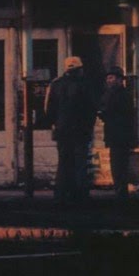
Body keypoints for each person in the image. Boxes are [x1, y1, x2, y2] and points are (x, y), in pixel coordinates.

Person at [44, 55, 97, 205]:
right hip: (80, 130)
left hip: (62, 130)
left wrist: (55, 124)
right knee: (80, 163)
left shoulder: (56, 84)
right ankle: (80, 195)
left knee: (63, 162)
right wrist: (88, 126)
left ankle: (61, 194)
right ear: (80, 69)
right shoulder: (85, 85)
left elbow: (48, 109)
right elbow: (91, 109)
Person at [98, 65, 135, 201]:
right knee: (120, 164)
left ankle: (120, 191)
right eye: (108, 78)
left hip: (117, 133)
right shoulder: (122, 94)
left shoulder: (115, 95)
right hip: (120, 134)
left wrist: (103, 113)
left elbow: (107, 111)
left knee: (118, 164)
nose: (109, 80)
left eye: (111, 77)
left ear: (119, 79)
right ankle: (120, 190)